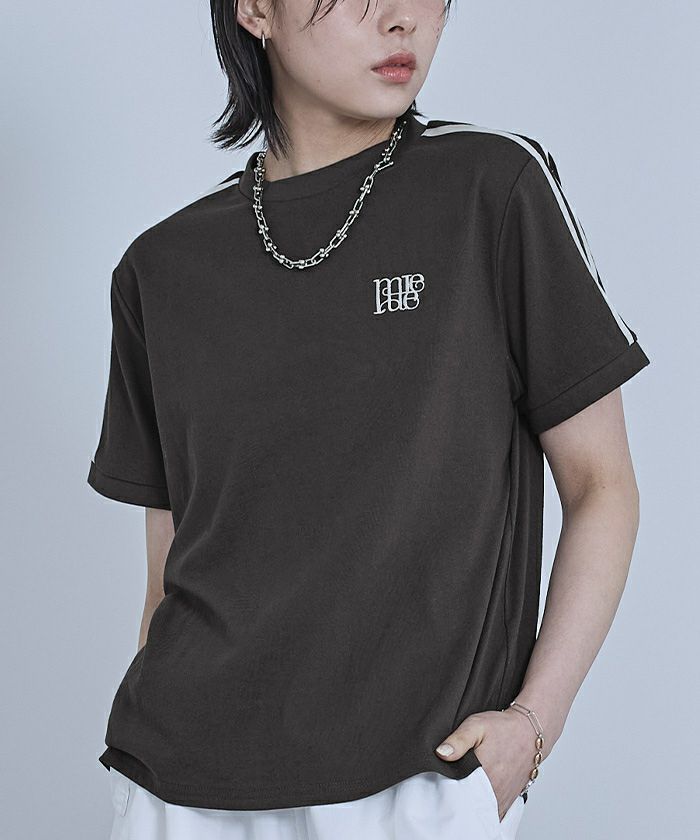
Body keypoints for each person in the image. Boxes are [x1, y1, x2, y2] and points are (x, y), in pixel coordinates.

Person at [88, 0, 651, 838]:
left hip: (417, 782)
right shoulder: (161, 268)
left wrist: (532, 726)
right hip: (182, 789)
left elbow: (602, 487)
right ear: (255, 10)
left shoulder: (491, 187)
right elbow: (171, 565)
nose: (403, 19)